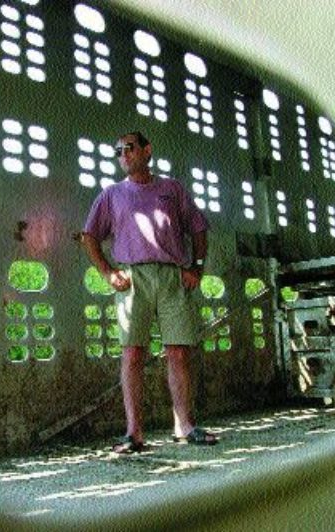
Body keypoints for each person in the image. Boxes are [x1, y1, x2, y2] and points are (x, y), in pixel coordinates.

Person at [81, 131, 217, 453]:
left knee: (179, 352)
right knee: (132, 354)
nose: (124, 154)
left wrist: (196, 267)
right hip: (132, 279)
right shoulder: (111, 194)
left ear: (147, 150)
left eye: (130, 148)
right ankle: (134, 433)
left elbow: (198, 228)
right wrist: (107, 272)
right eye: (118, 151)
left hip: (172, 277)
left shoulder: (172, 189)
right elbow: (89, 236)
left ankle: (185, 426)